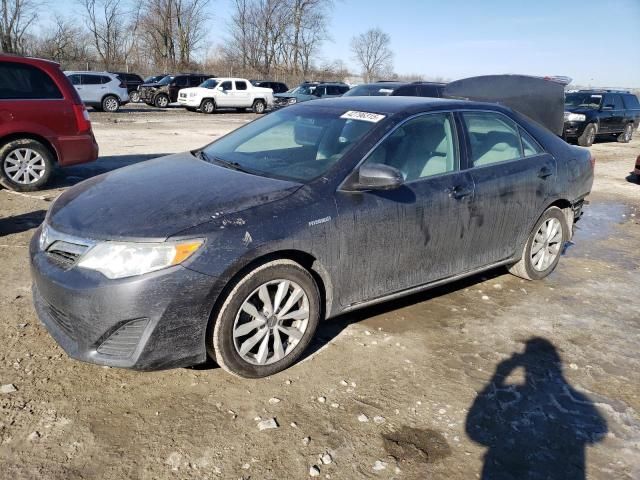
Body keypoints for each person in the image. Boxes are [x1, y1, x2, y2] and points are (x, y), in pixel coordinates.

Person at [466, 338, 607, 480]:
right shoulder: (577, 400)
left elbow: (475, 430)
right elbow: (598, 431)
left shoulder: (510, 392)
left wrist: (498, 375)